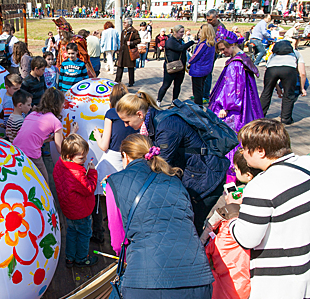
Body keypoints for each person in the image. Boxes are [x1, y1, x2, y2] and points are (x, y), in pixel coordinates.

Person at [105, 134, 213, 299]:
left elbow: (118, 241)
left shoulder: (115, 182)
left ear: (125, 156)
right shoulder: (174, 180)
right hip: (198, 280)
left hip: (148, 283)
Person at [116, 91, 228, 234]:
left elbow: (160, 164)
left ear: (139, 114)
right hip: (196, 173)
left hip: (206, 178)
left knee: (191, 225)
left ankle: (198, 252)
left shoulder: (166, 127)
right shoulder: (155, 121)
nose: (126, 126)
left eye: (127, 121)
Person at [227, 119, 310, 299]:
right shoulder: (305, 165)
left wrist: (233, 214)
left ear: (260, 151)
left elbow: (247, 238)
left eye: (244, 148)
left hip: (280, 284)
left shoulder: (260, 186)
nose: (242, 152)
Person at [209, 30, 263, 182]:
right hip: (245, 105)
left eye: (223, 49)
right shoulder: (244, 59)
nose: (222, 52)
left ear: (232, 45)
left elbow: (233, 88)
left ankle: (232, 172)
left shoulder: (235, 65)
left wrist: (225, 107)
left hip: (233, 109)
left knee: (230, 137)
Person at [92, 83, 136, 247]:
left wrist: (97, 135)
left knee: (97, 193)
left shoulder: (111, 113)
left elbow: (104, 146)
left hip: (112, 159)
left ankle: (99, 232)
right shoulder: (134, 114)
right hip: (130, 159)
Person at [53, 134, 99, 268]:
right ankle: (81, 258)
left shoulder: (60, 164)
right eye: (81, 157)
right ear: (69, 156)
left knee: (72, 232)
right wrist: (92, 173)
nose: (84, 159)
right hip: (81, 211)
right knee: (84, 234)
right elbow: (89, 188)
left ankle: (70, 257)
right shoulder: (77, 173)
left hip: (68, 209)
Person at [13, 88, 76, 184]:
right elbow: (61, 149)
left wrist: (46, 140)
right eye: (62, 103)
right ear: (58, 105)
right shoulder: (55, 121)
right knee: (44, 183)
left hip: (15, 150)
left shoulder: (32, 114)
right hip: (32, 154)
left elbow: (29, 136)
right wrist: (72, 133)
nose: (63, 106)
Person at [260, 40, 307, 125]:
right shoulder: (296, 53)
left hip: (272, 70)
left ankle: (259, 115)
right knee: (289, 94)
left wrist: (278, 89)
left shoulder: (273, 55)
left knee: (266, 92)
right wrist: (302, 88)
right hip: (289, 70)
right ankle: (285, 118)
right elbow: (302, 73)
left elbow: (270, 74)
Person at [157, 24, 194, 106]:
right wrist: (192, 42)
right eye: (180, 32)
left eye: (183, 32)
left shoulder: (180, 41)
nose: (182, 34)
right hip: (171, 67)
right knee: (166, 85)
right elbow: (180, 48)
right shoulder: (170, 41)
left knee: (177, 85)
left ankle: (174, 101)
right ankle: (158, 101)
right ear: (175, 32)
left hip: (180, 67)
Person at [188, 24, 216, 106]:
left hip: (198, 69)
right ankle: (199, 105)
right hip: (206, 69)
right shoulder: (212, 43)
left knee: (197, 90)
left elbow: (195, 55)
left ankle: (198, 107)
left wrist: (189, 62)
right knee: (201, 87)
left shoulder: (203, 44)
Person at [116, 17, 141, 87]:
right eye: (123, 22)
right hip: (123, 52)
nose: (123, 24)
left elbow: (138, 40)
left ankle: (131, 82)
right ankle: (117, 81)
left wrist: (132, 42)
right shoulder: (123, 31)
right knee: (120, 66)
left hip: (129, 52)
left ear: (129, 24)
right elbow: (121, 41)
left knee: (130, 67)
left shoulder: (134, 31)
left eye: (125, 23)